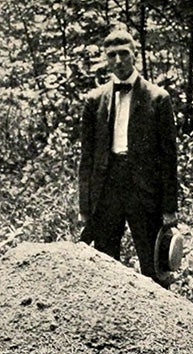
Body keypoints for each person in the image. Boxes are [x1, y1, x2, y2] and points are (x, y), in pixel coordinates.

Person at [78, 26, 178, 285]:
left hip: (144, 191)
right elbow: (86, 159)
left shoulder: (158, 98)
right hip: (107, 189)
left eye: (123, 53)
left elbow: (169, 158)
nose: (118, 60)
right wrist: (85, 208)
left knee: (154, 265)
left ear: (135, 54)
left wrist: (169, 207)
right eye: (112, 55)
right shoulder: (94, 100)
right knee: (104, 264)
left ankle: (160, 320)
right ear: (106, 58)